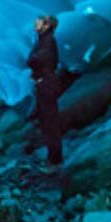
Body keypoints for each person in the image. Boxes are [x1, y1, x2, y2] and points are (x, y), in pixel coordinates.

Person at [27, 14, 65, 165]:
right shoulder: (44, 40)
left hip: (46, 84)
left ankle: (55, 159)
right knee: (46, 121)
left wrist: (32, 60)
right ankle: (53, 157)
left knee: (49, 122)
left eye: (39, 22)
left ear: (47, 25)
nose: (35, 24)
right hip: (44, 83)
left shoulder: (47, 41)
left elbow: (35, 60)